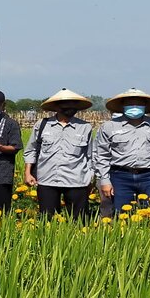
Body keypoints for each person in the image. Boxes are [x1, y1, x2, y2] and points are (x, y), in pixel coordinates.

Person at [23, 89, 94, 218]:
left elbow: (90, 157)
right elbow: (31, 150)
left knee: (80, 221)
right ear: (56, 106)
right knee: (47, 220)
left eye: (73, 104)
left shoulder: (85, 127)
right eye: (66, 104)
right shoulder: (43, 125)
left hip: (76, 181)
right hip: (47, 180)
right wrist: (28, 173)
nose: (70, 107)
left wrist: (90, 179)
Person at [94, 88, 150, 213]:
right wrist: (104, 180)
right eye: (130, 104)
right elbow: (102, 155)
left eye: (138, 103)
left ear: (145, 105)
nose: (134, 106)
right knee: (121, 214)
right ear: (122, 106)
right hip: (120, 176)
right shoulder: (109, 127)